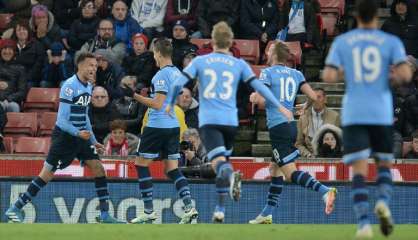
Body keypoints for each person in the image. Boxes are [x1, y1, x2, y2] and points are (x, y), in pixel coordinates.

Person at [167, 22, 291, 223]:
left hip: (210, 121)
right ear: (230, 41)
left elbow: (177, 83)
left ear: (213, 41)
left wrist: (169, 102)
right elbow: (259, 86)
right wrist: (280, 106)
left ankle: (232, 179)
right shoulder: (239, 64)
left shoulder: (201, 61)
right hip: (231, 122)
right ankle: (220, 209)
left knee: (220, 165)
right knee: (222, 163)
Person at [322, 0, 412, 238]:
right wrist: (389, 75)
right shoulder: (390, 41)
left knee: (359, 170)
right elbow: (406, 73)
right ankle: (382, 200)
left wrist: (346, 71)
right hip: (380, 112)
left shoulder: (343, 42)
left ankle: (363, 223)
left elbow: (328, 75)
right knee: (384, 163)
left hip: (354, 113)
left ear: (356, 16)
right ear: (376, 17)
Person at [4, 52, 124, 223]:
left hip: (81, 137)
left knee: (98, 168)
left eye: (95, 66)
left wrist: (93, 141)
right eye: (90, 65)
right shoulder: (69, 86)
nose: (93, 69)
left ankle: (105, 214)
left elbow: (84, 117)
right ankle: (15, 208)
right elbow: (61, 120)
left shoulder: (89, 86)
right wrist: (77, 133)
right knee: (46, 174)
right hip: (65, 137)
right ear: (80, 66)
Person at [248, 41, 337, 224]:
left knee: (290, 173)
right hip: (290, 126)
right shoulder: (296, 73)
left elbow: (260, 99)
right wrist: (304, 106)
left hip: (278, 127)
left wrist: (253, 97)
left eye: (270, 50)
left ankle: (324, 191)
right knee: (275, 169)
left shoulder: (268, 72)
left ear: (273, 55)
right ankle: (267, 213)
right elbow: (314, 96)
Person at [120, 38, 198, 224]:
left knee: (140, 164)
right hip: (172, 126)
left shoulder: (160, 76)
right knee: (171, 169)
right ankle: (189, 208)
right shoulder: (178, 73)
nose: (153, 56)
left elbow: (157, 104)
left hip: (157, 126)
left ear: (159, 54)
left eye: (154, 53)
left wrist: (134, 95)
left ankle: (148, 210)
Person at [295, 88, 340, 158]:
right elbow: (298, 144)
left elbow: (339, 141)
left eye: (318, 97)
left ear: (325, 99)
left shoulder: (335, 116)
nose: (315, 100)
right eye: (313, 98)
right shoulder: (303, 118)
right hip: (309, 159)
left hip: (329, 157)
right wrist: (308, 154)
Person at [12, 18, 46, 88]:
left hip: (30, 79)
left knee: (26, 86)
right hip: (13, 78)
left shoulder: (37, 45)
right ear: (15, 32)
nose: (21, 32)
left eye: (24, 29)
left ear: (28, 31)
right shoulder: (11, 46)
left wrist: (25, 78)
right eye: (19, 30)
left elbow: (38, 65)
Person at [0, 39, 26, 112]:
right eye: (4, 48)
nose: (7, 52)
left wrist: (8, 99)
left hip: (11, 101)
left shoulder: (20, 69)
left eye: (10, 49)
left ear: (14, 52)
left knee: (13, 107)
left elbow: (22, 91)